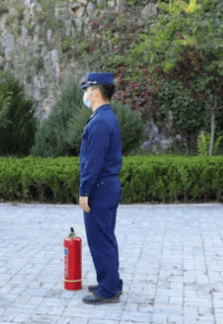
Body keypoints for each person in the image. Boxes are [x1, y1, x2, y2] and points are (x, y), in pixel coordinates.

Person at [78, 72, 124, 305]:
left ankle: (108, 290)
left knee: (100, 239)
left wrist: (84, 191)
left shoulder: (100, 121)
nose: (86, 94)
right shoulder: (106, 117)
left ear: (96, 91)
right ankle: (111, 281)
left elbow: (93, 161)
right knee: (106, 236)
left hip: (99, 187)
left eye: (87, 89)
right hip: (108, 185)